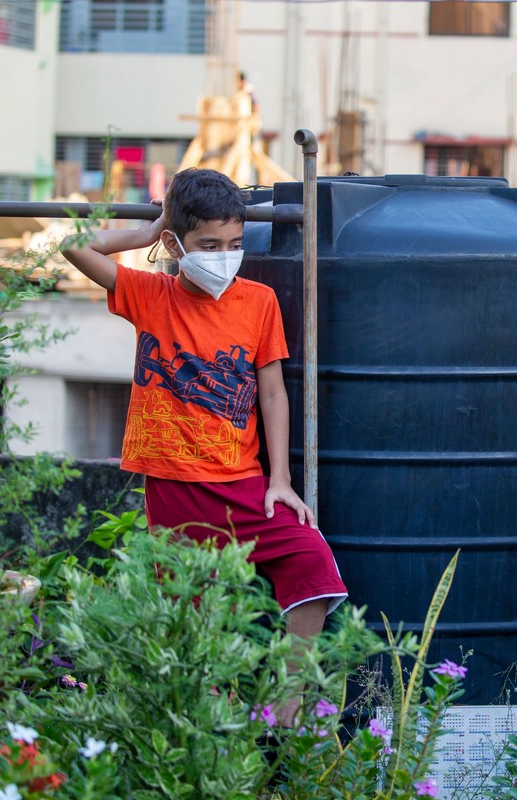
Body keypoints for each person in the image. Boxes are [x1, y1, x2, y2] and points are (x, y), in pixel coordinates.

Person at [60, 168, 347, 647]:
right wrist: (149, 231)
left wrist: (280, 480)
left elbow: (273, 392)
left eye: (234, 243)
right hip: (174, 488)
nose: (224, 257)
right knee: (188, 615)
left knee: (311, 560)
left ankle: (288, 701)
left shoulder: (260, 302)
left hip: (245, 485)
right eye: (209, 245)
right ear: (176, 246)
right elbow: (73, 244)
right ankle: (205, 705)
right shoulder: (149, 295)